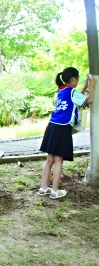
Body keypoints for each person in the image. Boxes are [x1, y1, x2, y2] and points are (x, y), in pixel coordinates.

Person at [38, 67, 96, 199]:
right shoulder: (72, 92)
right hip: (62, 128)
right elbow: (89, 100)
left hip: (52, 126)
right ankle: (54, 191)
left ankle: (43, 188)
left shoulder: (61, 91)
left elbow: (76, 100)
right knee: (58, 160)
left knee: (50, 159)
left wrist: (85, 86)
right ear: (73, 79)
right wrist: (91, 87)